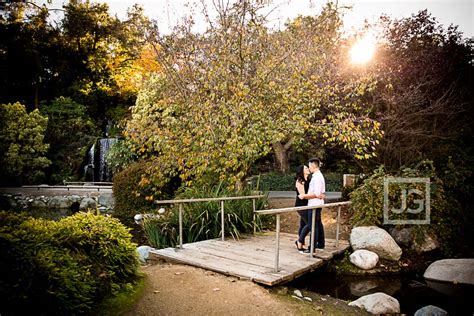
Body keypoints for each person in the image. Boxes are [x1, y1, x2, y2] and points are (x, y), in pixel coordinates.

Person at [298, 158, 326, 251]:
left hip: (314, 205)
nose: (309, 168)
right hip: (314, 204)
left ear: (313, 166)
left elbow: (317, 194)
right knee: (316, 225)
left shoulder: (317, 177)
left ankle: (311, 248)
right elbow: (318, 193)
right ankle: (320, 244)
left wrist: (304, 196)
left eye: (309, 166)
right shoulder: (316, 176)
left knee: (313, 226)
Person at [294, 164, 311, 252]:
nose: (308, 169)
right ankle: (299, 241)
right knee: (310, 224)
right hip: (301, 205)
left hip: (307, 205)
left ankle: (301, 242)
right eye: (306, 168)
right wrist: (315, 196)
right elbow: (302, 196)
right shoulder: (299, 181)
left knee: (303, 224)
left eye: (308, 168)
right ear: (301, 170)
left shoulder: (307, 180)